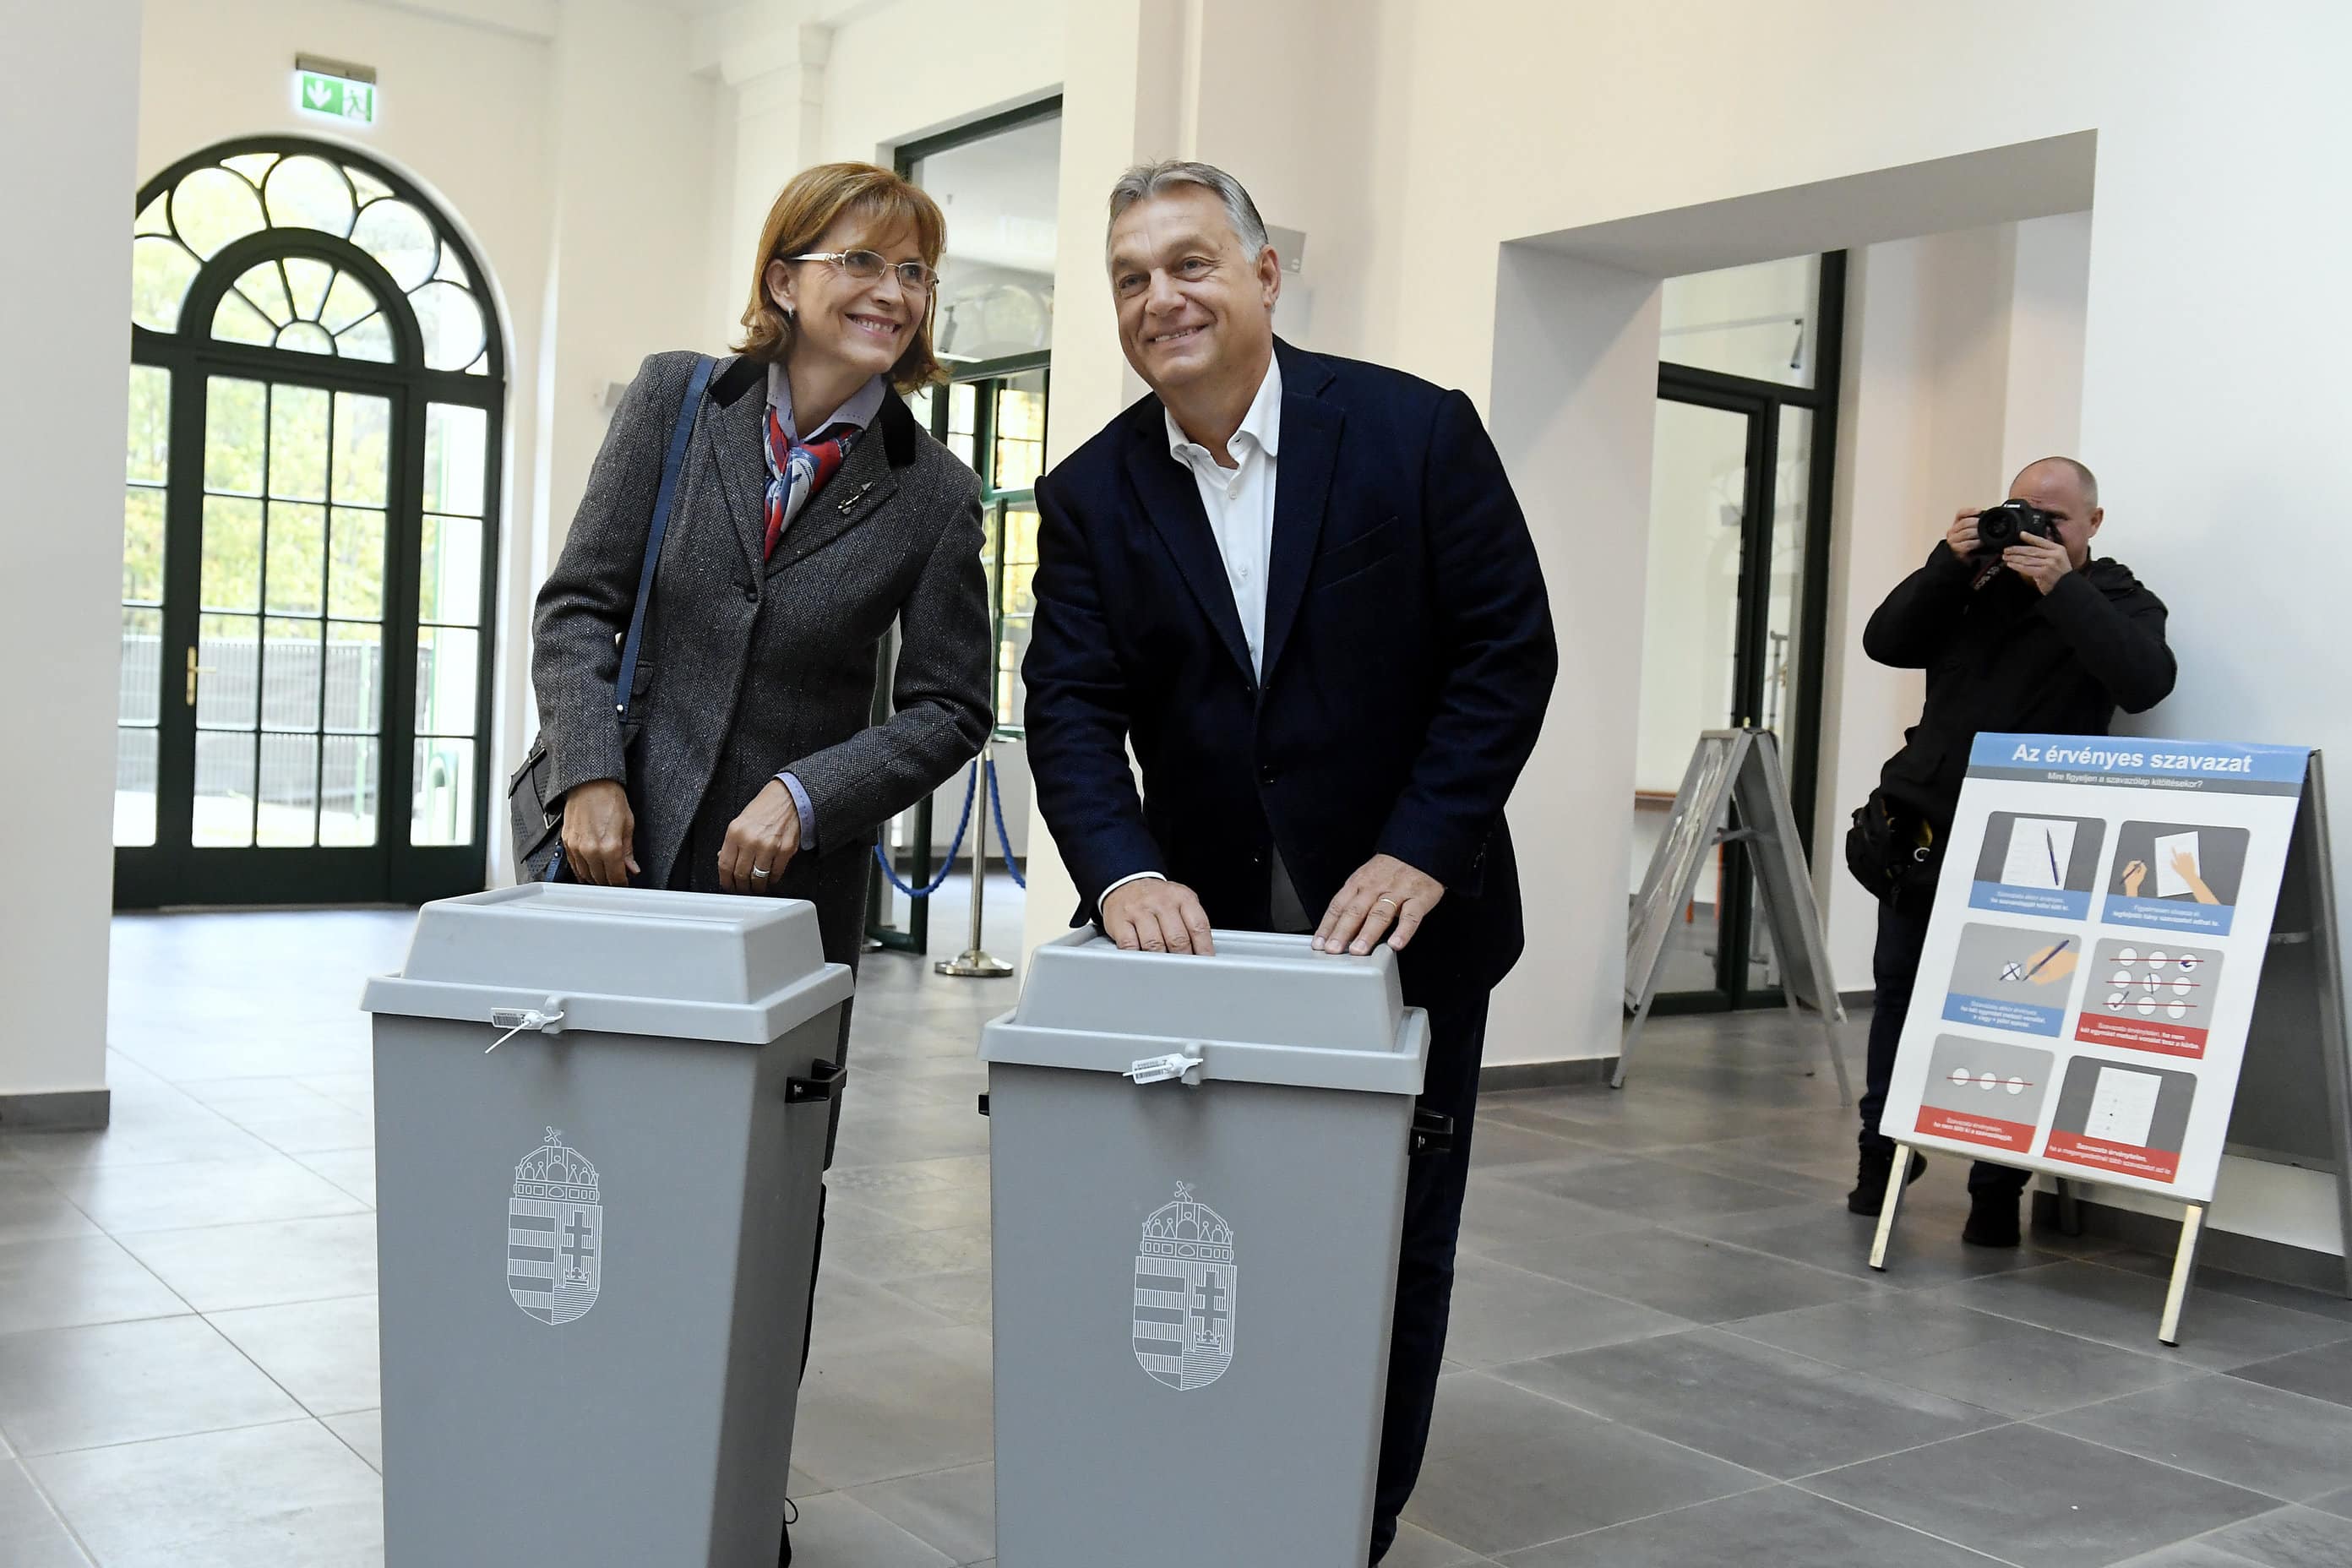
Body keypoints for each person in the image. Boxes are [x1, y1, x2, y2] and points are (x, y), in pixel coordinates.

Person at [1021, 160, 1557, 1564]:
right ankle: (1213, 1495)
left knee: (1386, 1243)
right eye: (1130, 277)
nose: (1160, 297)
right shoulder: (1089, 494)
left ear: (1265, 275)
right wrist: (1121, 872)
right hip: (1201, 947)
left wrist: (1422, 846)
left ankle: (1342, 1525)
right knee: (1209, 1231)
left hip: (1404, 931)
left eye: (1189, 263)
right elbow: (1066, 706)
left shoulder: (1412, 433)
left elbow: (1506, 655)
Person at [529, 161, 992, 1565]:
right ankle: (576, 1465)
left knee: (761, 1206)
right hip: (608, 870)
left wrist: (809, 789)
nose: (890, 292)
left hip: (782, 912)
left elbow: (950, 709)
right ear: (783, 277)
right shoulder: (678, 400)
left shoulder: (933, 491)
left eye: (912, 272)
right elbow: (579, 606)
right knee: (585, 1174)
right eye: (860, 261)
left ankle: (730, 1484)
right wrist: (587, 771)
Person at [1846, 456, 2175, 1246]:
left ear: (2093, 524)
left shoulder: (2117, 599)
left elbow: (2145, 682)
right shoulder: (1974, 585)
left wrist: (2062, 587)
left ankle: (1996, 1190)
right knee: (1900, 1000)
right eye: (2021, 510)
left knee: (2018, 1018)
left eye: (2053, 519)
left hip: (2040, 847)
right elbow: (1885, 642)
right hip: (1927, 833)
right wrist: (1948, 561)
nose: (2033, 528)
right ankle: (1882, 1158)